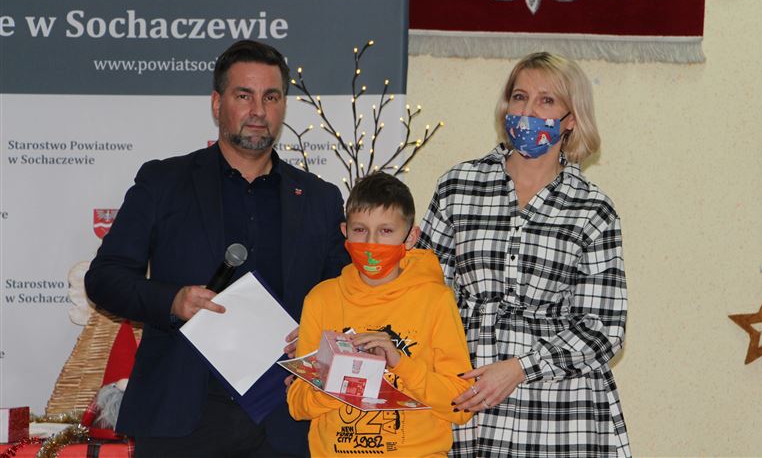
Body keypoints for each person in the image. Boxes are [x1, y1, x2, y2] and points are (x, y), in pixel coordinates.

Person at [84, 39, 350, 457]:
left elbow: (349, 293)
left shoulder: (319, 198)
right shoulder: (163, 183)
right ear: (216, 103)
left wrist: (320, 330)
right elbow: (104, 278)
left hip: (286, 418)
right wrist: (172, 300)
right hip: (181, 416)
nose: (258, 110)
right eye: (244, 96)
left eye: (271, 97)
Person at [418, 52, 631, 458]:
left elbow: (604, 329)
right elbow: (421, 291)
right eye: (520, 97)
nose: (528, 111)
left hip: (559, 413)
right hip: (467, 398)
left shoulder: (592, 209)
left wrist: (520, 368)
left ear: (571, 119)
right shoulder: (458, 186)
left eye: (546, 100)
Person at [286, 172, 474, 457]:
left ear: (411, 237)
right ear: (344, 231)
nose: (371, 243)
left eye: (386, 231)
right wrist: (340, 382)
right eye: (360, 230)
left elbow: (461, 406)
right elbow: (298, 405)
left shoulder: (436, 300)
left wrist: (399, 363)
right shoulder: (321, 299)